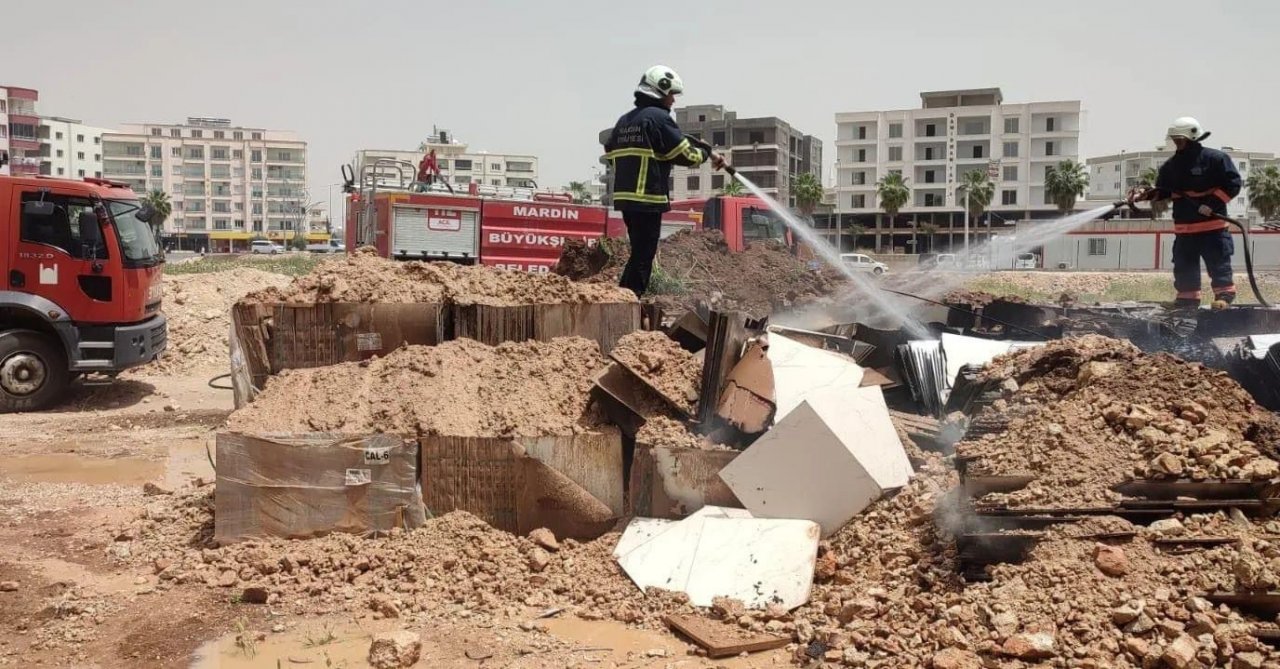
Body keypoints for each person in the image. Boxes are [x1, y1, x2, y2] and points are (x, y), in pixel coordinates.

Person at [603, 65, 725, 297]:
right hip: (647, 197)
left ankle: (623, 297)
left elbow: (610, 150)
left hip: (625, 199)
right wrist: (706, 154)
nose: (673, 101)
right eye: (671, 95)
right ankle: (630, 300)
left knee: (638, 253)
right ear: (660, 91)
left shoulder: (625, 121)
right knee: (644, 255)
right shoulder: (659, 118)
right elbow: (686, 155)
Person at [1129, 117, 1242, 307]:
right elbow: (1164, 190)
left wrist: (1212, 204)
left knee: (1218, 264)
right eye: (1174, 138)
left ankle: (1224, 298)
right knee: (1184, 268)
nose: (1177, 142)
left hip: (1212, 229)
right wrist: (1145, 195)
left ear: (1193, 136)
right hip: (1184, 231)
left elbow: (1233, 184)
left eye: (1180, 138)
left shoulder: (1215, 159)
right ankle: (1186, 303)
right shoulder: (1170, 166)